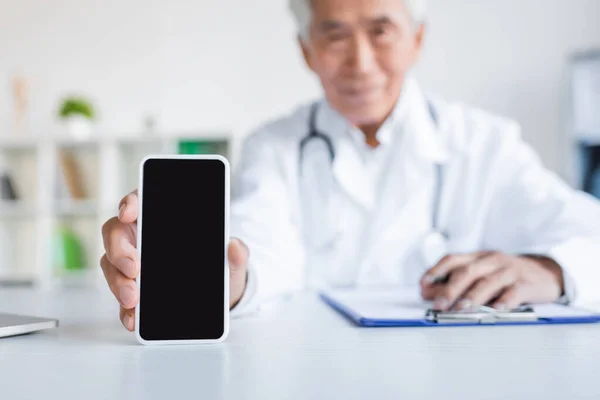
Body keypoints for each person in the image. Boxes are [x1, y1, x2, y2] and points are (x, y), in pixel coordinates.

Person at [101, 0, 600, 331]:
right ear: (306, 50)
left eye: (381, 31)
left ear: (417, 40)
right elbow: (260, 245)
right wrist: (227, 281)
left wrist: (552, 270)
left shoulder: (485, 143)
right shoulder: (274, 146)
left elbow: (590, 233)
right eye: (334, 35)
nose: (360, 62)